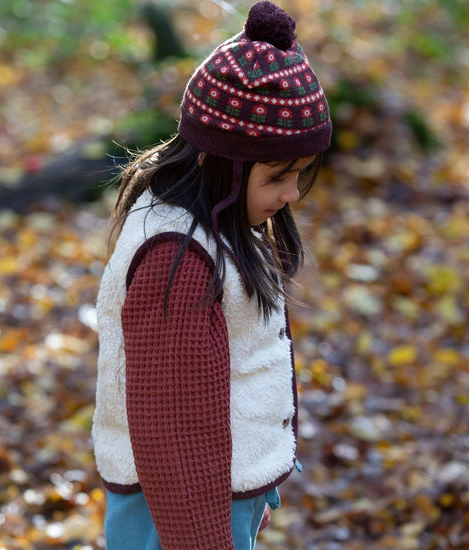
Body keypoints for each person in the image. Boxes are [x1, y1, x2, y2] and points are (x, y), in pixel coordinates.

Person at [92, 1, 332, 548]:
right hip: (175, 515)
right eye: (278, 176)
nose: (292, 194)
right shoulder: (176, 260)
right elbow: (174, 435)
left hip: (212, 501)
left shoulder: (220, 221)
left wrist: (251, 489)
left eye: (299, 174)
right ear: (218, 161)